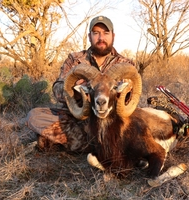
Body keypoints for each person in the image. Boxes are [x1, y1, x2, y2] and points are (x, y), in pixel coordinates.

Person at [26, 16, 135, 152]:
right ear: (89, 36)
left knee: (134, 121)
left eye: (106, 33)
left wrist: (126, 89)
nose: (101, 38)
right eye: (96, 33)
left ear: (113, 36)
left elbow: (133, 101)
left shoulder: (125, 64)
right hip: (79, 117)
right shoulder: (75, 60)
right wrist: (75, 89)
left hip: (110, 118)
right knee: (34, 116)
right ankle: (101, 143)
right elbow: (57, 90)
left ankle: (75, 141)